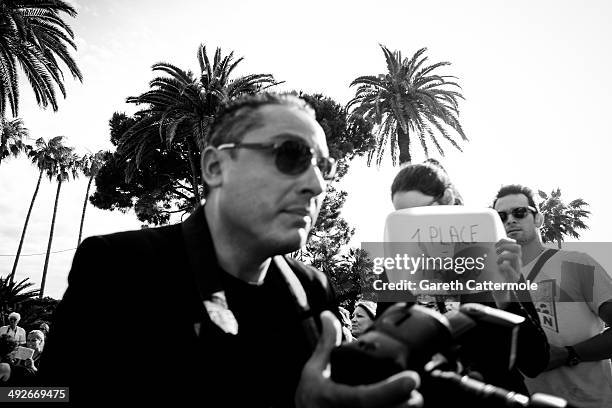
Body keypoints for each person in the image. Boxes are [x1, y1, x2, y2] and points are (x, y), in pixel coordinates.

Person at [40, 93, 420, 407]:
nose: (317, 185)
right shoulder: (119, 267)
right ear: (215, 166)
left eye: (324, 165)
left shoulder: (313, 290)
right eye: (291, 154)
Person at [387, 161, 549, 394]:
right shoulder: (397, 273)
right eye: (403, 220)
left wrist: (506, 296)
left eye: (422, 214)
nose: (415, 227)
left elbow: (535, 362)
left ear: (448, 200)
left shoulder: (493, 260)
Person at [493, 184, 612, 408]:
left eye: (520, 212)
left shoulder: (576, 263)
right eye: (501, 216)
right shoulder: (494, 281)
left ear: (539, 219)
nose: (510, 220)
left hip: (592, 402)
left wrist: (570, 354)